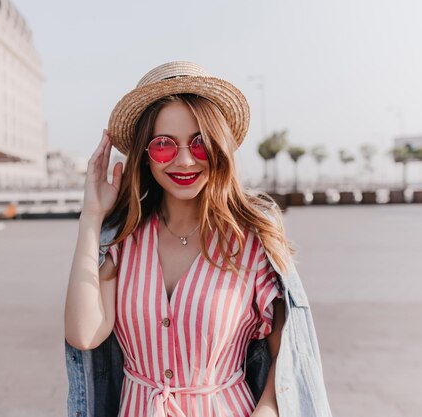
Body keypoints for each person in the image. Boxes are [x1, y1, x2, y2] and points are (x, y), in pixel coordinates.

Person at [64, 61, 332, 417]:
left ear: (219, 148)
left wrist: (266, 412)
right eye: (164, 145)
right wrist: (92, 218)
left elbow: (289, 355)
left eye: (200, 143)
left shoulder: (252, 239)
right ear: (145, 155)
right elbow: (85, 334)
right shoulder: (123, 239)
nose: (185, 160)